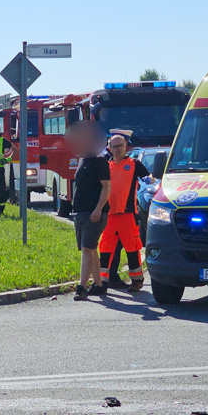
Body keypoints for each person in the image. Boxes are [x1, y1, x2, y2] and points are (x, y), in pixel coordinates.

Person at [99, 135, 150, 292]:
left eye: (120, 145)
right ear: (109, 148)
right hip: (109, 215)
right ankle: (103, 281)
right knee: (106, 248)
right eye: (114, 146)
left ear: (126, 145)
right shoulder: (106, 165)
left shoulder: (134, 164)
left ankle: (137, 280)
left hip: (128, 214)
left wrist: (150, 180)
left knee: (132, 248)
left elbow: (148, 177)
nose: (118, 148)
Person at [67, 121, 111, 301]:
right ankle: (99, 285)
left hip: (94, 214)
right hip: (81, 213)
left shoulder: (100, 161)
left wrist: (98, 209)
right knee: (91, 249)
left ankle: (82, 287)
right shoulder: (82, 160)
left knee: (87, 249)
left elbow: (106, 187)